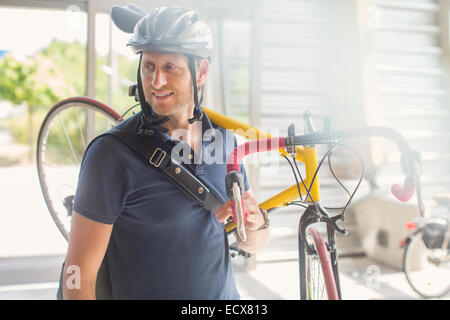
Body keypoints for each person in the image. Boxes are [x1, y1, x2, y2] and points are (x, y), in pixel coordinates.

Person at [62, 6, 270, 300]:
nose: (156, 82)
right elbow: (78, 274)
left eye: (170, 67)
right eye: (149, 67)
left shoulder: (223, 141)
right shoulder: (111, 155)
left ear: (201, 71)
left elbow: (252, 244)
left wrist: (255, 224)